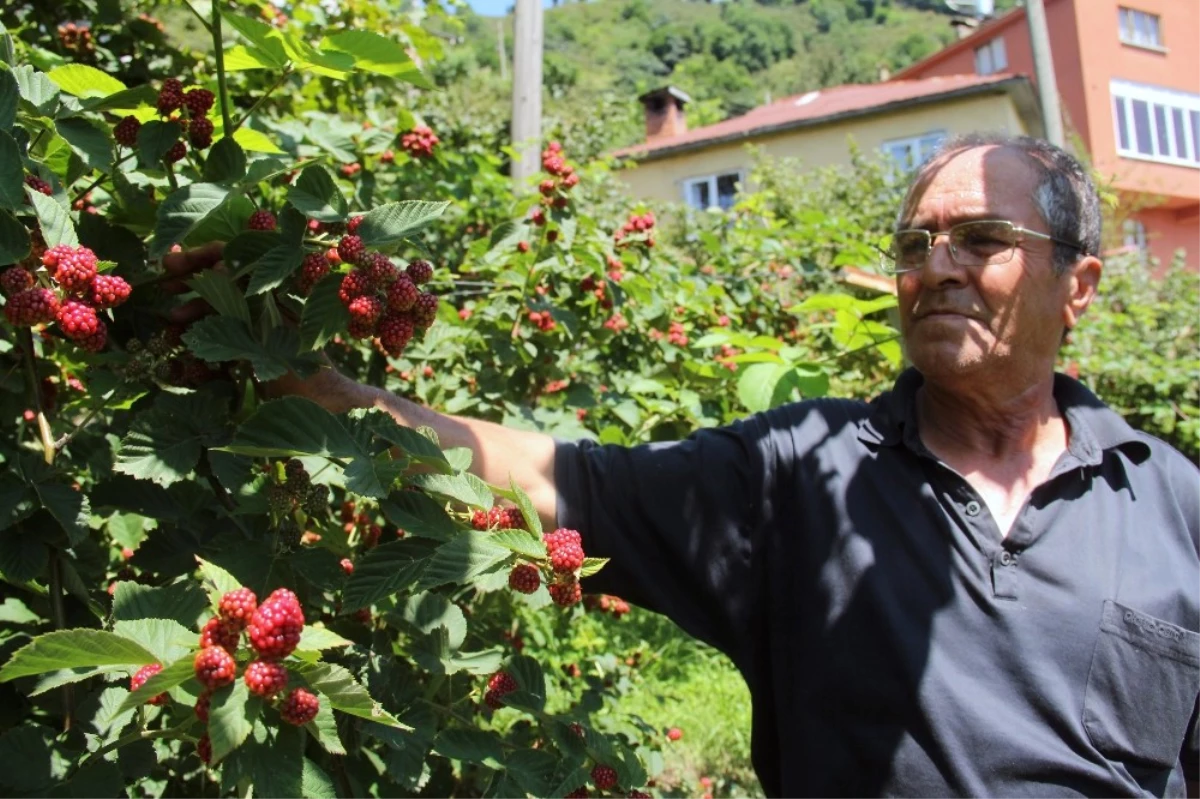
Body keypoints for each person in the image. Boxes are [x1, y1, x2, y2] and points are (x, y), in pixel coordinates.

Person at [167, 134, 1200, 797]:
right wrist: (324, 393)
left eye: (982, 238)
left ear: (1081, 285)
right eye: (915, 244)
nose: (935, 269)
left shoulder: (1173, 500)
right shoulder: (806, 468)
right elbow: (561, 479)